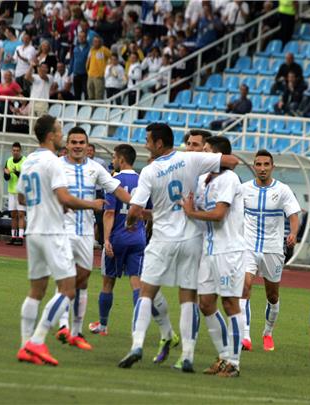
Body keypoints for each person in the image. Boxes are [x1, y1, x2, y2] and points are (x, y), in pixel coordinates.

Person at [118, 123, 239, 371]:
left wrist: (131, 221)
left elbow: (134, 209)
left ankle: (137, 345)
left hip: (162, 238)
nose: (145, 144)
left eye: (148, 140)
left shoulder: (151, 171)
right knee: (188, 298)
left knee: (145, 292)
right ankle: (187, 355)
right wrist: (212, 160)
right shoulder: (191, 159)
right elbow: (232, 160)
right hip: (191, 238)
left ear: (159, 143)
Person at [15, 114, 104, 366]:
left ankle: (24, 346)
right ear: (51, 135)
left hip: (33, 232)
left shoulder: (29, 160)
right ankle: (38, 339)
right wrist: (92, 204)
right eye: (59, 130)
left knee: (36, 291)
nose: (61, 134)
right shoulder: (53, 162)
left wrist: (47, 204)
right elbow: (65, 198)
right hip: (53, 232)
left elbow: (22, 198)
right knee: (67, 288)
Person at [89, 144, 179, 364]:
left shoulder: (114, 180)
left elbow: (109, 212)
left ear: (121, 159)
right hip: (137, 239)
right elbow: (148, 211)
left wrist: (106, 239)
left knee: (108, 283)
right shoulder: (143, 179)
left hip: (118, 237)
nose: (112, 161)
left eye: (114, 157)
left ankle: (102, 324)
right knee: (138, 285)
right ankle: (140, 329)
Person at [54, 127, 131, 351]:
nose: (77, 146)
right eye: (73, 142)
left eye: (81, 142)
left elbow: (117, 190)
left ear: (87, 146)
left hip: (87, 232)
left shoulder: (95, 168)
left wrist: (137, 204)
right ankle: (63, 326)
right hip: (63, 230)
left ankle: (77, 330)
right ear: (67, 145)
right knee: (66, 278)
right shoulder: (57, 166)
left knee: (84, 280)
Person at [180, 136, 245, 377]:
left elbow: (218, 214)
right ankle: (223, 356)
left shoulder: (229, 179)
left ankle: (234, 363)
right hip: (208, 250)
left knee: (230, 304)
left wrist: (192, 212)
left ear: (217, 156)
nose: (202, 156)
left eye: (206, 151)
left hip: (228, 251)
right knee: (206, 303)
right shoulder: (202, 180)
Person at [239, 150, 300, 352]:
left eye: (266, 164)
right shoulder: (243, 189)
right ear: (254, 166)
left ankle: (267, 332)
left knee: (272, 296)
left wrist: (293, 233)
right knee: (244, 286)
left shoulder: (283, 190)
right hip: (247, 246)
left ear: (272, 167)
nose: (262, 168)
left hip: (272, 249)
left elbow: (293, 215)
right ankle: (245, 336)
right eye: (259, 164)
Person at [4, 142, 26, 246]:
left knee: (21, 214)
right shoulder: (8, 161)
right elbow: (6, 177)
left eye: (17, 150)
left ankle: (21, 237)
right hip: (11, 191)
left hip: (21, 192)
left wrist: (17, 172)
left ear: (20, 151)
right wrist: (7, 174)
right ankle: (13, 236)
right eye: (14, 150)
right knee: (13, 215)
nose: (15, 152)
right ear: (11, 151)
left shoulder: (25, 161)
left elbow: (26, 176)